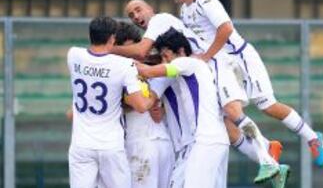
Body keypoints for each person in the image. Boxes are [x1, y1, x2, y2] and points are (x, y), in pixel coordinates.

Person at [111, 0, 285, 184]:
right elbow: (150, 78)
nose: (136, 16)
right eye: (131, 15)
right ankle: (268, 152)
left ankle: (267, 157)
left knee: (233, 112)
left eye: (138, 10)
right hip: (198, 143)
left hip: (204, 137)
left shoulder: (181, 56)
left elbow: (143, 59)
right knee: (226, 123)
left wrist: (106, 54)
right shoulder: (171, 67)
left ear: (150, 9)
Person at [167, 0, 323, 168]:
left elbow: (226, 28)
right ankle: (267, 152)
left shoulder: (206, 1)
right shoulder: (184, 11)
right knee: (226, 117)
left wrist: (206, 56)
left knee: (268, 106)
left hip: (240, 59)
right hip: (221, 66)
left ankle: (313, 138)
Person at [67, 16, 154, 188]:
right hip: (110, 145)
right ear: (112, 38)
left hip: (81, 144)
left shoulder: (73, 55)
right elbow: (141, 106)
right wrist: (154, 96)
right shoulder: (124, 65)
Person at [136, 28, 230, 188]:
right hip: (205, 142)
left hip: (206, 141)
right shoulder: (188, 72)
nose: (164, 60)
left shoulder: (186, 62)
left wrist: (119, 63)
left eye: (166, 56)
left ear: (180, 51)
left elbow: (149, 71)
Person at [115, 21, 175, 188]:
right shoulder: (117, 73)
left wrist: (159, 108)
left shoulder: (152, 69)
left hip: (155, 143)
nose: (132, 57)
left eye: (134, 50)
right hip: (142, 141)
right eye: (126, 52)